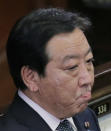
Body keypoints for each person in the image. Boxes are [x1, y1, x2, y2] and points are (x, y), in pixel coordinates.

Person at [0, 8, 101, 131]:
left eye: (89, 61)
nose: (87, 79)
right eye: (72, 67)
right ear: (31, 78)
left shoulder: (85, 115)